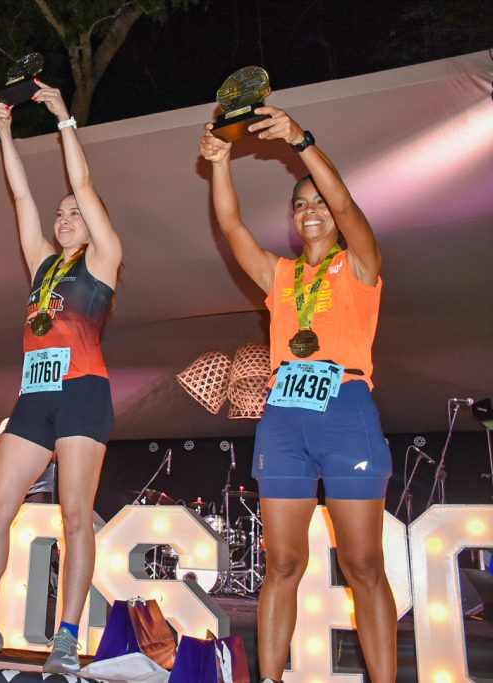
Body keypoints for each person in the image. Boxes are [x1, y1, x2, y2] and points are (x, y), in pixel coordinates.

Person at [199, 108, 395, 682]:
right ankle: (271, 678)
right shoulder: (279, 276)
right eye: (300, 205)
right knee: (282, 563)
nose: (312, 211)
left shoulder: (360, 265)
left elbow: (349, 207)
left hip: (346, 414)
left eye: (320, 203)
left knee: (362, 564)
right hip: (284, 421)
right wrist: (220, 163)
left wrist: (300, 141)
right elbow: (232, 227)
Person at [0, 84, 122, 673]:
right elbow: (20, 194)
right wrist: (3, 129)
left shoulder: (104, 260)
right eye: (60, 214)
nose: (65, 219)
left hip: (83, 395)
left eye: (75, 214)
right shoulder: (42, 264)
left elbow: (85, 184)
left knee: (75, 515)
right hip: (35, 398)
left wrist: (64, 118)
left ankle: (66, 637)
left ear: (93, 225)